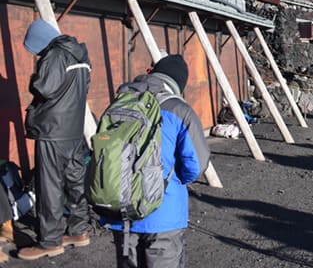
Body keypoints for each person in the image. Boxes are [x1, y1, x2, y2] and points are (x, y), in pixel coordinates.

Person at [105, 54, 210, 267]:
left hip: (120, 207)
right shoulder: (179, 110)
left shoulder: (119, 102)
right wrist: (174, 178)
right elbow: (196, 165)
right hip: (163, 211)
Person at [17, 19, 92, 261]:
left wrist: (33, 78)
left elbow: (45, 88)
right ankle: (79, 231)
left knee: (49, 186)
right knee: (74, 180)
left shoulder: (54, 55)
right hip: (73, 130)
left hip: (52, 131)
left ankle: (50, 241)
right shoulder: (80, 55)